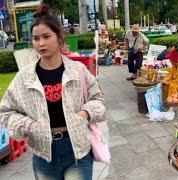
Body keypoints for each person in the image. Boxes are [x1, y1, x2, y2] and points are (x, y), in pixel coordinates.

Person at [0, 4, 106, 180]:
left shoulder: (77, 70)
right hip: (43, 154)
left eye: (46, 36)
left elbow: (99, 100)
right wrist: (29, 125)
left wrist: (85, 113)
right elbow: (5, 111)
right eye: (36, 38)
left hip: (77, 150)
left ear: (59, 37)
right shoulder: (25, 77)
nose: (41, 43)